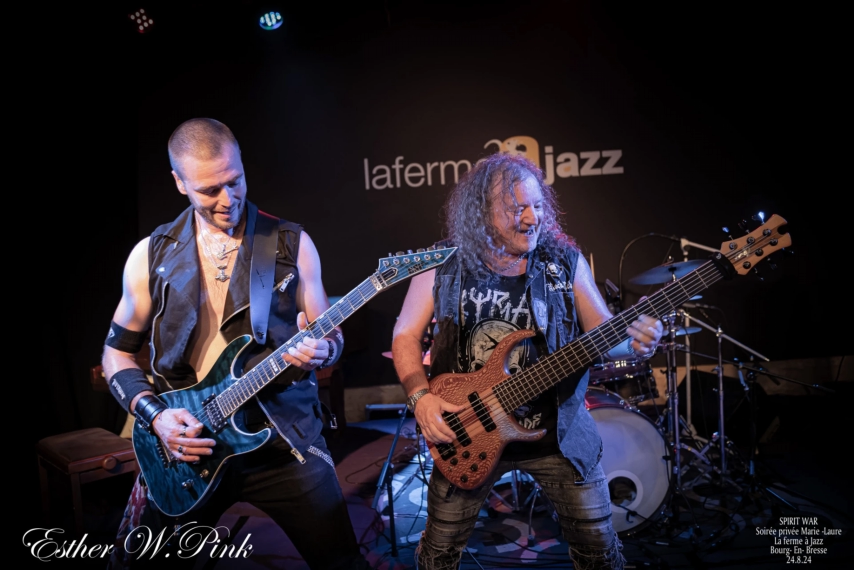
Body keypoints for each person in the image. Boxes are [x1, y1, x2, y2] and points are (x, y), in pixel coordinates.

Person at [101, 118, 368, 569]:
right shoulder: (149, 255)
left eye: (235, 181)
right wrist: (156, 416)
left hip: (284, 440)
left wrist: (326, 350)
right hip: (187, 447)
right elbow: (116, 352)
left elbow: (330, 332)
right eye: (210, 190)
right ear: (179, 183)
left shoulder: (290, 243)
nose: (228, 199)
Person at [391, 153, 664, 569]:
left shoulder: (563, 261)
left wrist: (636, 343)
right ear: (483, 211)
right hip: (468, 432)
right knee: (439, 555)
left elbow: (607, 338)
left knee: (599, 552)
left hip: (558, 437)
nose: (532, 218)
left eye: (537, 205)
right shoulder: (443, 262)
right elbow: (405, 335)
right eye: (517, 208)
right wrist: (420, 397)